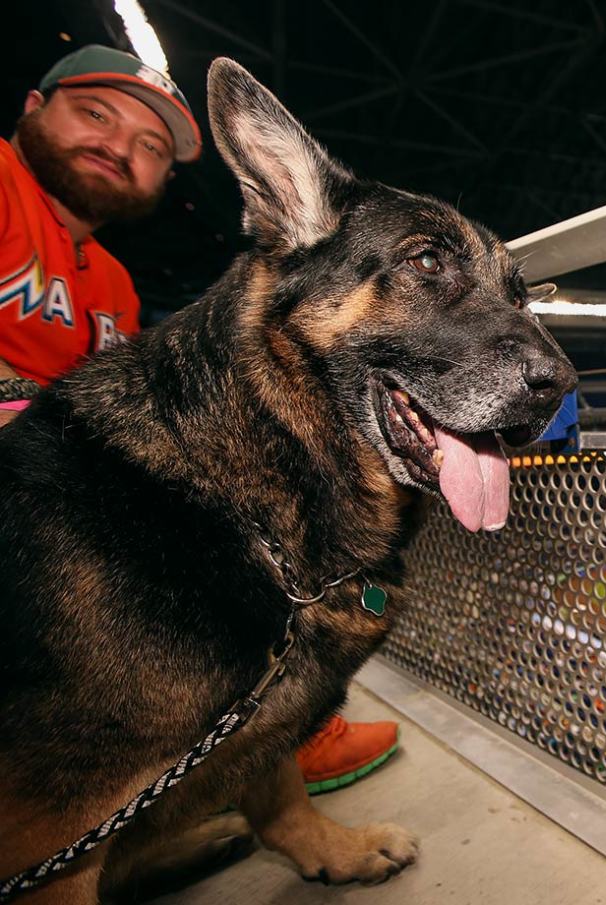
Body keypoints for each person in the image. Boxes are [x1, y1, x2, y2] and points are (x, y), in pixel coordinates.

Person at [0, 45, 399, 793]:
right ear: (31, 107)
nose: (121, 147)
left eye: (151, 146)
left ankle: (258, 730)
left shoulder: (111, 281)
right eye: (95, 114)